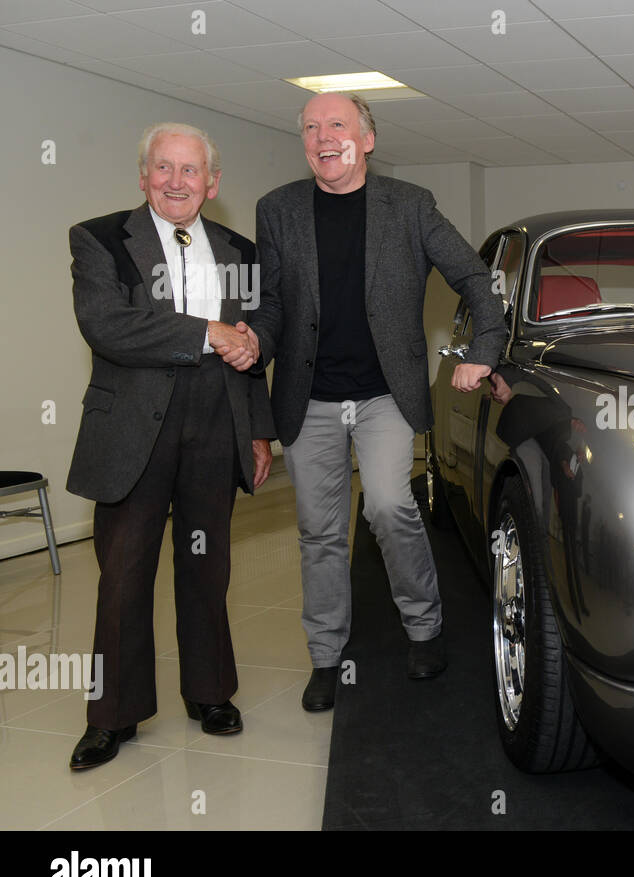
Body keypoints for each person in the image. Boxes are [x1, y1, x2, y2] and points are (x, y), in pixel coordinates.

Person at [249, 92, 507, 712]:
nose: (322, 136)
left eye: (336, 124)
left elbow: (475, 278)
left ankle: (423, 627)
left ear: (367, 139)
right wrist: (251, 344)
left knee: (390, 507)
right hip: (308, 396)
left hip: (384, 393)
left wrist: (485, 349)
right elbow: (274, 305)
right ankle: (325, 653)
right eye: (310, 127)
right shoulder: (278, 209)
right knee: (318, 531)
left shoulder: (410, 207)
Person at [67, 123, 273, 769]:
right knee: (123, 574)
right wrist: (212, 330)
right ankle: (113, 716)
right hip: (134, 425)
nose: (176, 181)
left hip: (218, 417)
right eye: (164, 168)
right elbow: (110, 325)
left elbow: (259, 331)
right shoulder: (99, 238)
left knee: (207, 565)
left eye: (190, 171)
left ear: (212, 183)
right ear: (143, 175)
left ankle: (211, 693)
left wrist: (259, 422)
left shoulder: (240, 248)